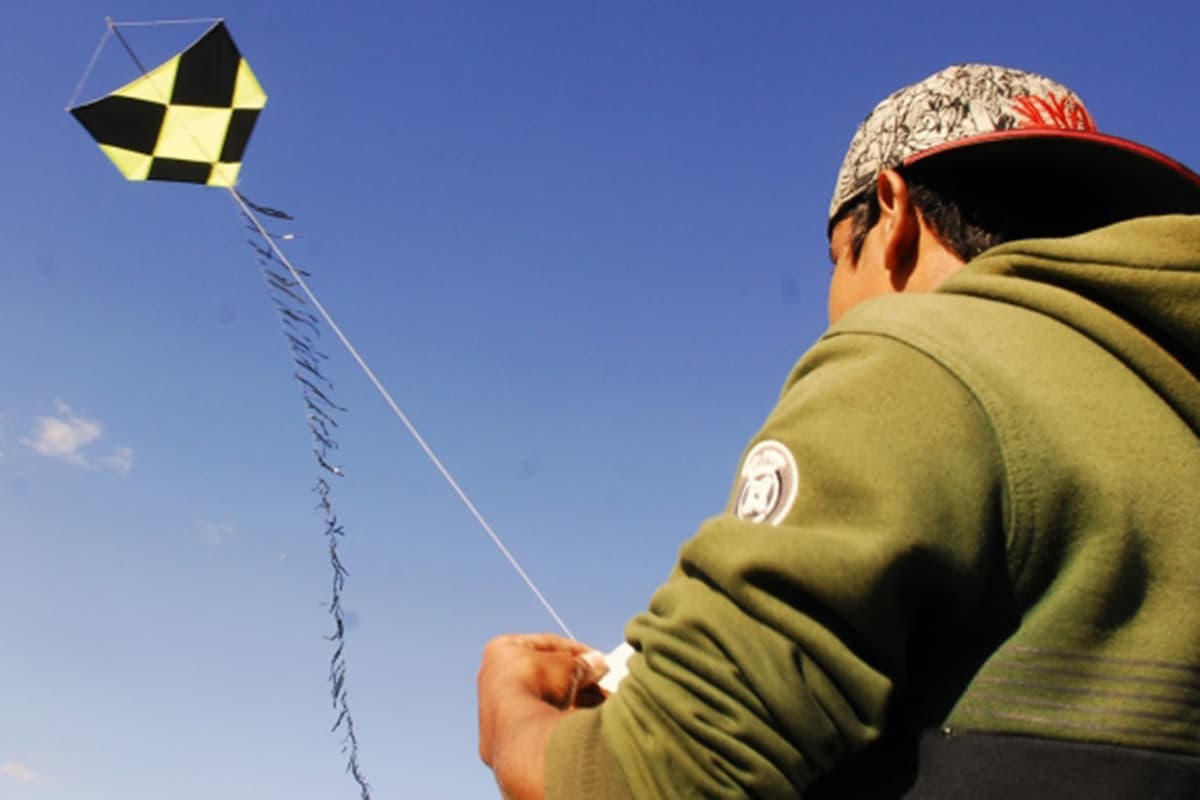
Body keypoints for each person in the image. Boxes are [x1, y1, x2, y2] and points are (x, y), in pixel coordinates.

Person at [477, 64, 1200, 798]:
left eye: (832, 261)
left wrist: (515, 725)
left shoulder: (918, 354)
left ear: (891, 213)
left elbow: (657, 777)